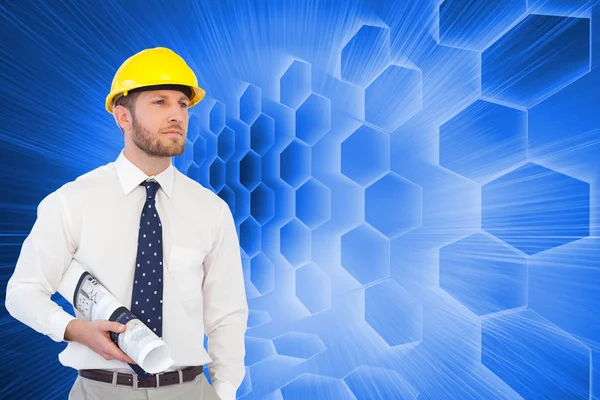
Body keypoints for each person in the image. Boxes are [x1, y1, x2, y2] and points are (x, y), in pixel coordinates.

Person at [5, 47, 248, 400]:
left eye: (182, 104)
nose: (177, 115)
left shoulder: (211, 210)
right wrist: (73, 329)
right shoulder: (72, 202)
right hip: (101, 390)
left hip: (189, 390)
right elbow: (22, 293)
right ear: (123, 116)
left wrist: (224, 392)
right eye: (160, 102)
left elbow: (227, 315)